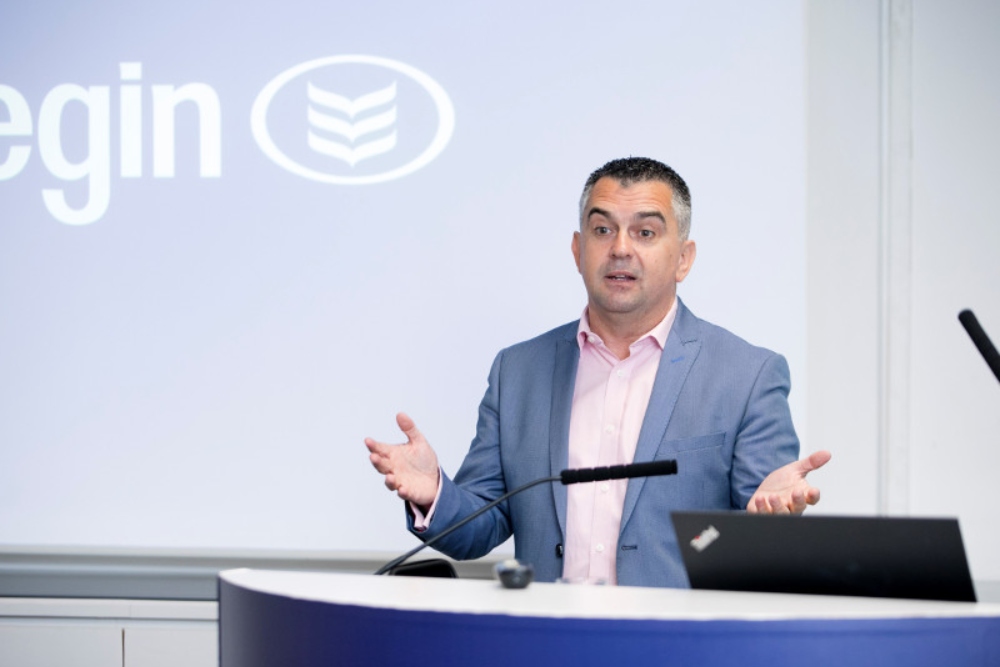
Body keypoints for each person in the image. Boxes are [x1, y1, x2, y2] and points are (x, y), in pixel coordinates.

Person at [366, 157, 831, 587]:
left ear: (684, 258)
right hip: (548, 643)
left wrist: (768, 520)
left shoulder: (747, 375)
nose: (621, 249)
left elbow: (754, 548)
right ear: (577, 249)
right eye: (603, 230)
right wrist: (434, 494)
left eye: (645, 233)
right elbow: (478, 528)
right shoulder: (518, 371)